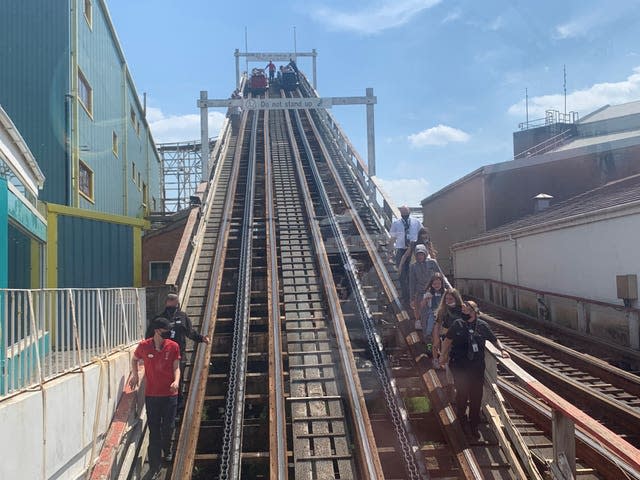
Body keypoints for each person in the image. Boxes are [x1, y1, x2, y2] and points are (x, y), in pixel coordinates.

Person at [438, 301, 509, 439]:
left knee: (476, 396)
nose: (463, 310)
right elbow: (447, 340)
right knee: (462, 393)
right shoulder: (457, 324)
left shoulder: (482, 326)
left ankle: (474, 424)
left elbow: (494, 339)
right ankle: (462, 419)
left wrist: (503, 350)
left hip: (476, 367)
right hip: (459, 365)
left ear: (474, 311)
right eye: (463, 309)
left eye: (466, 308)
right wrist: (443, 355)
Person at [130, 317, 181, 477]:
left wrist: (176, 380)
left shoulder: (173, 346)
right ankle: (154, 465)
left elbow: (176, 367)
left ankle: (168, 450)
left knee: (168, 427)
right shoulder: (144, 346)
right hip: (152, 396)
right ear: (158, 331)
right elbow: (134, 359)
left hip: (170, 394)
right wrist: (135, 375)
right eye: (166, 330)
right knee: (154, 431)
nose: (170, 332)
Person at [147, 293, 210, 407]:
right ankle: (167, 403)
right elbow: (149, 336)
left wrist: (201, 338)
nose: (172, 303)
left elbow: (190, 332)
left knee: (178, 380)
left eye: (173, 301)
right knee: (165, 378)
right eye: (170, 300)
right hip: (163, 355)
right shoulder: (159, 319)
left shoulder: (182, 316)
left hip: (178, 354)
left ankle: (177, 405)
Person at [390, 206, 422, 302]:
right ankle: (405, 295)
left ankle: (413, 294)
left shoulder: (416, 222)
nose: (405, 216)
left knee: (412, 272)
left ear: (409, 213)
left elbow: (423, 233)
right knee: (402, 274)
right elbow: (392, 238)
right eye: (403, 215)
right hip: (401, 249)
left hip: (413, 249)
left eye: (406, 214)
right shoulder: (396, 223)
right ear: (400, 214)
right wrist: (390, 251)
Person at [409, 244, 442, 321]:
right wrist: (411, 299)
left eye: (421, 254)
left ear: (425, 254)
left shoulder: (432, 262)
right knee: (421, 311)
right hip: (420, 292)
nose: (420, 256)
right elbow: (412, 283)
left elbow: (441, 276)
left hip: (433, 290)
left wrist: (449, 288)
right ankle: (419, 322)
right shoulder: (413, 266)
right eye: (418, 255)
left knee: (435, 310)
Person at [420, 273, 445, 355]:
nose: (437, 285)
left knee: (441, 335)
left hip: (442, 314)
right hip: (432, 314)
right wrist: (426, 299)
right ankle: (429, 348)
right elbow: (422, 305)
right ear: (431, 284)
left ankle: (439, 350)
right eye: (434, 284)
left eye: (438, 283)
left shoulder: (444, 292)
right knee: (429, 333)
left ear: (442, 283)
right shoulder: (429, 293)